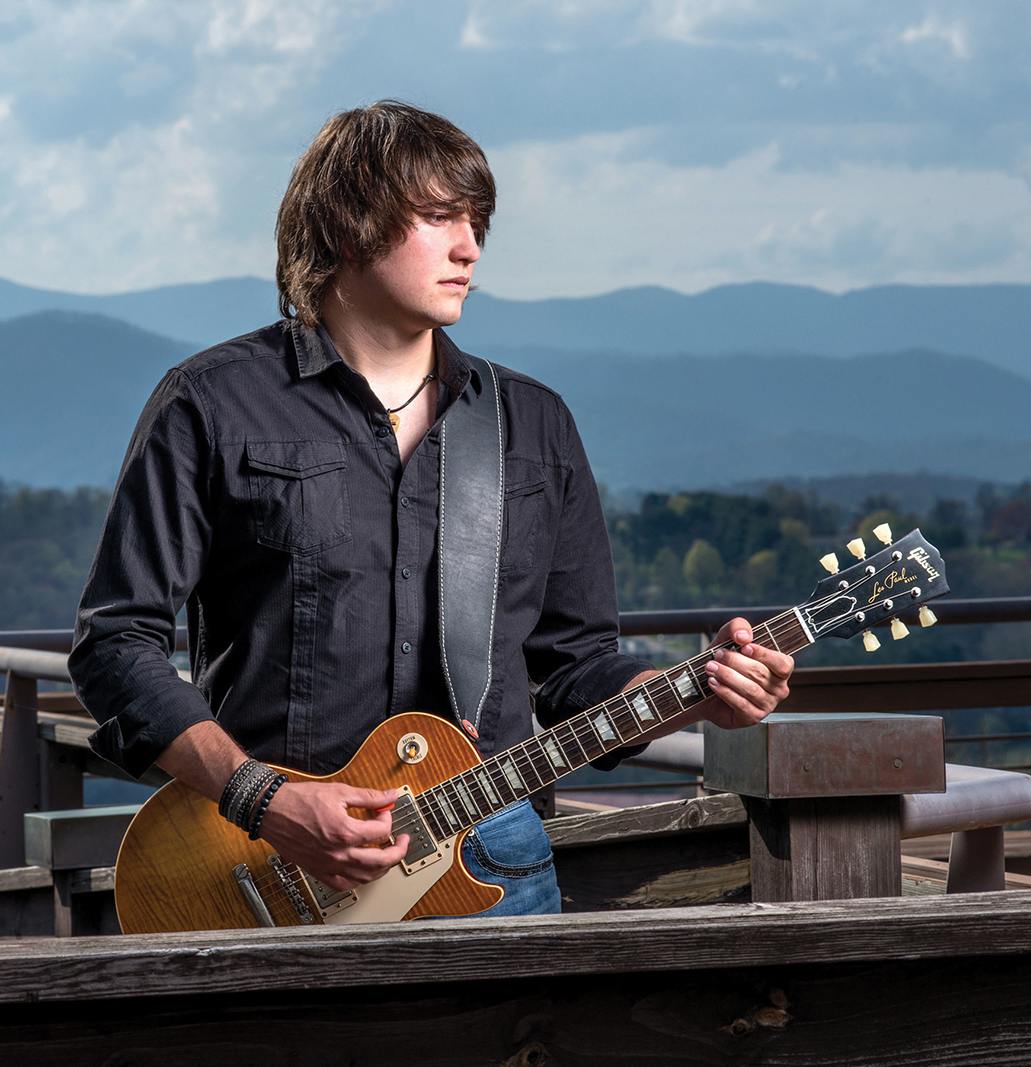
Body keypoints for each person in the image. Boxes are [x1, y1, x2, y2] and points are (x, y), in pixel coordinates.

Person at [69, 101, 793, 916]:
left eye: (476, 220)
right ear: (349, 226)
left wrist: (688, 691)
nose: (470, 247)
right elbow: (115, 645)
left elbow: (574, 663)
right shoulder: (212, 404)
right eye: (440, 217)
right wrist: (261, 798)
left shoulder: (534, 424)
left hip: (494, 861)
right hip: (266, 863)